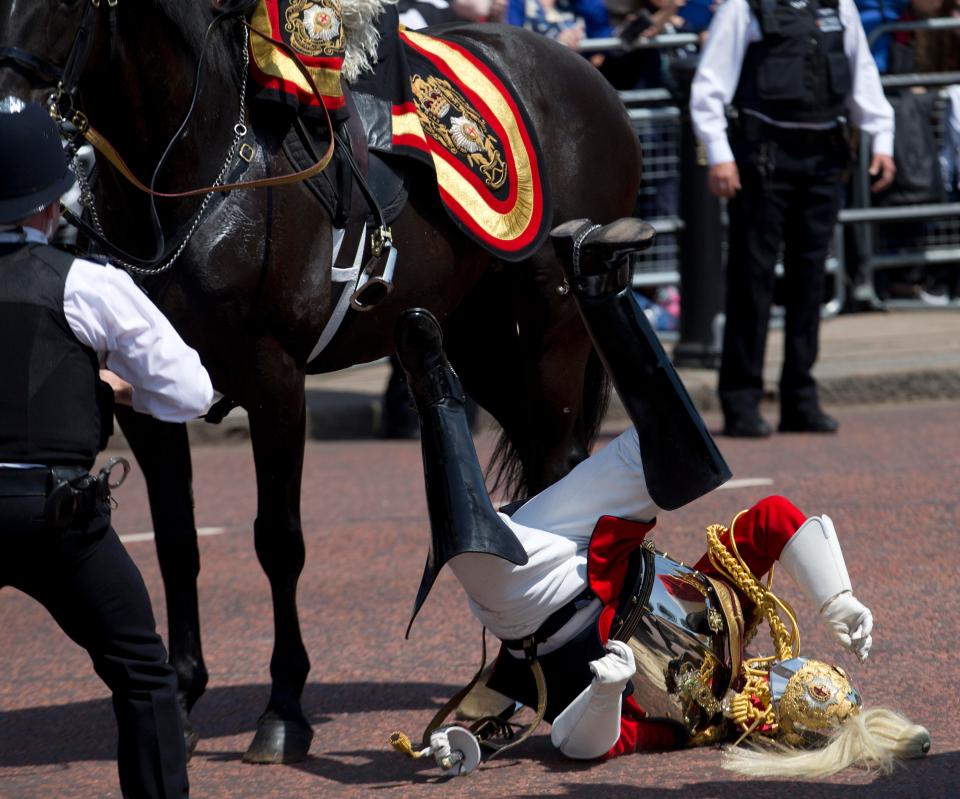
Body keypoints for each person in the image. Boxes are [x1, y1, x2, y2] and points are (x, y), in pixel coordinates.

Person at [386, 221, 928, 776]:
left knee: (481, 559)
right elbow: (769, 522)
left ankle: (435, 390)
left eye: (786, 692)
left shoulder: (685, 723)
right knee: (674, 454)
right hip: (599, 542)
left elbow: (577, 745)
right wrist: (836, 597)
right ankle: (602, 287)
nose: (780, 676)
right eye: (802, 670)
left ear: (772, 726)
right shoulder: (736, 622)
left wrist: (607, 692)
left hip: (541, 608)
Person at [0, 98, 215, 799]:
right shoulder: (88, 283)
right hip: (55, 514)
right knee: (142, 671)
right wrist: (117, 390)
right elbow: (190, 392)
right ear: (51, 201)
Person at [690, 0, 896, 437]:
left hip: (824, 159)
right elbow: (709, 88)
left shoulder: (838, 6)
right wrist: (720, 156)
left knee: (810, 281)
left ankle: (800, 397)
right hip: (764, 160)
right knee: (752, 281)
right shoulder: (745, 8)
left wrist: (882, 138)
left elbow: (862, 75)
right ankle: (741, 400)